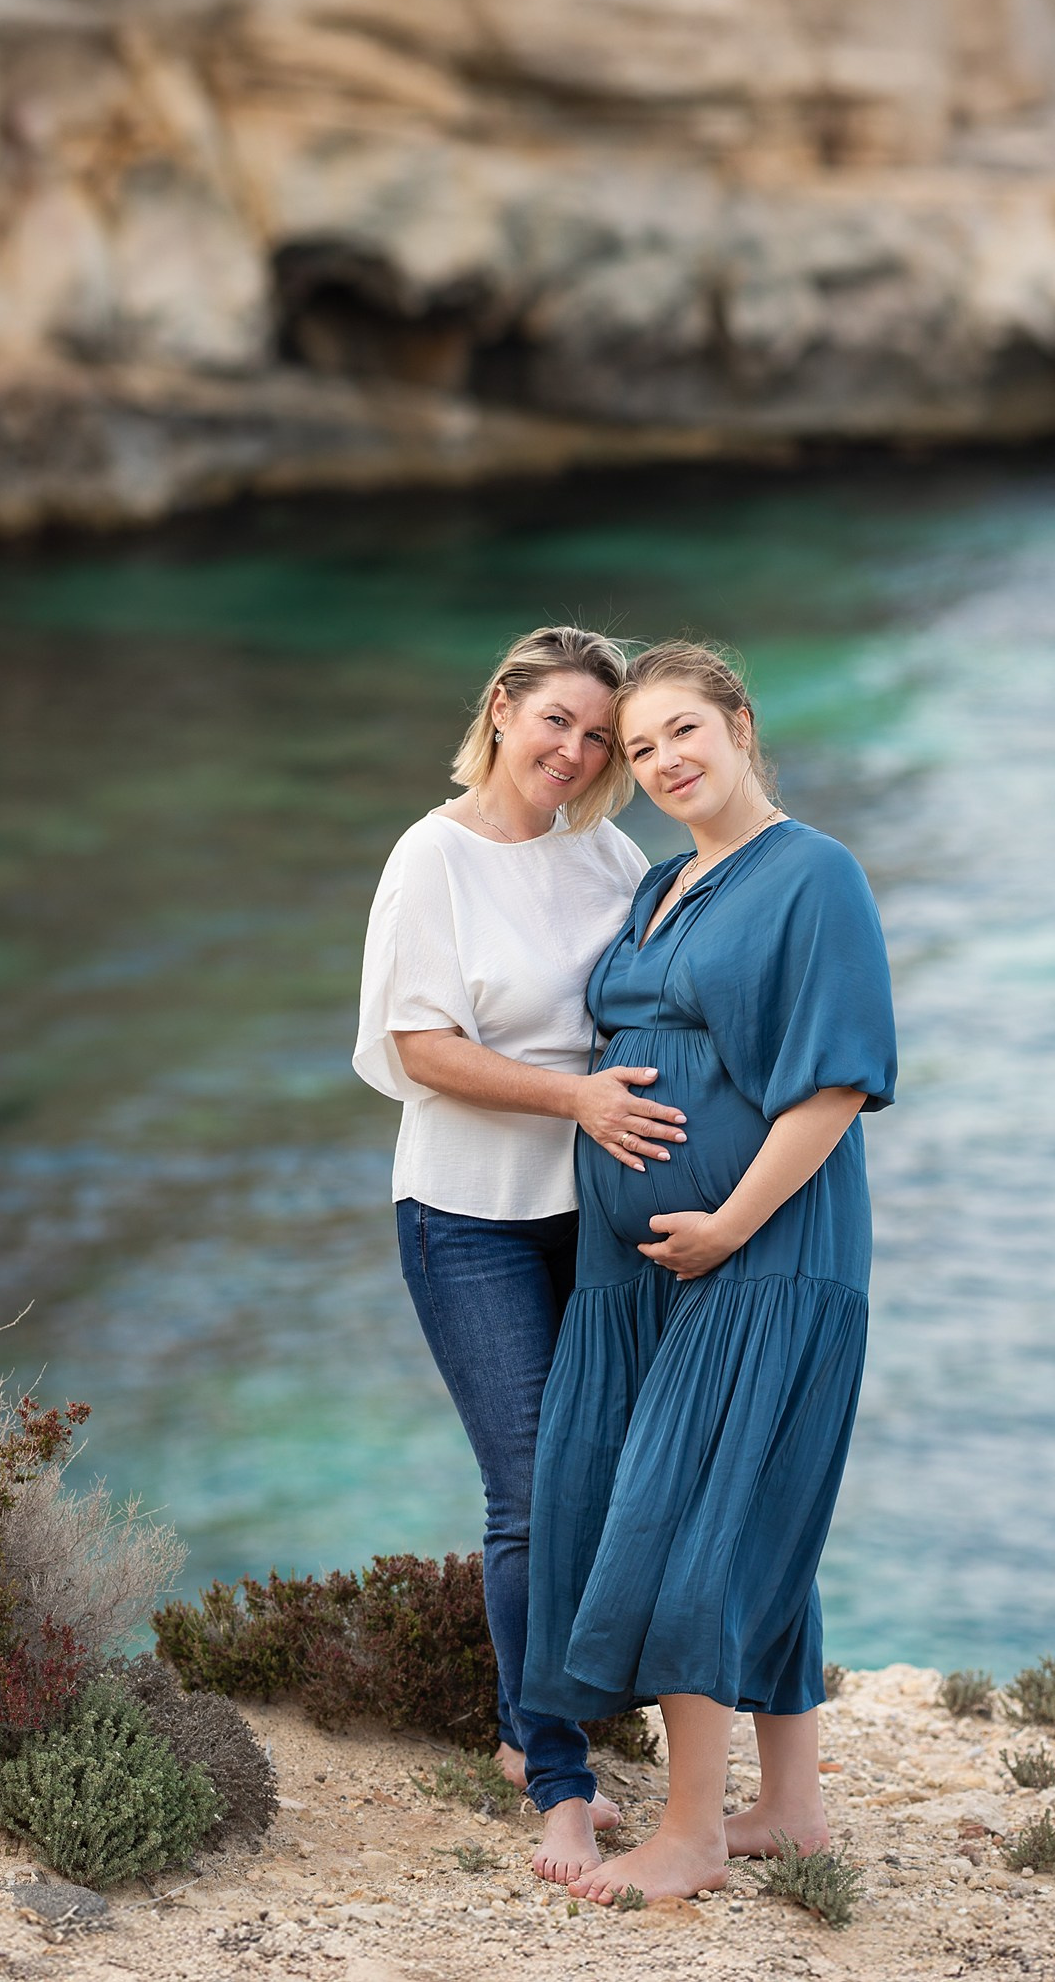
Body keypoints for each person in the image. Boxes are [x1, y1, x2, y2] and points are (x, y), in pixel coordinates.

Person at [523, 639, 898, 1904]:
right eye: (638, 749)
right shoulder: (662, 883)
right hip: (640, 1275)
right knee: (738, 1511)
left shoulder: (812, 874)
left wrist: (728, 1225)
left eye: (682, 730)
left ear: (739, 724)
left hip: (763, 1253)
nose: (663, 761)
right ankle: (789, 1809)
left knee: (688, 1524)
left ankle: (688, 1833)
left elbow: (834, 1082)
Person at [353, 625, 686, 1884]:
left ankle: (518, 1721)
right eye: (556, 720)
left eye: (599, 735)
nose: (577, 751)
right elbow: (419, 1048)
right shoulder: (430, 857)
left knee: (603, 1477)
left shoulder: (608, 856)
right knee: (533, 1495)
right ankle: (556, 1777)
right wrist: (575, 1101)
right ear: (501, 707)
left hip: (594, 1215)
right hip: (467, 1217)